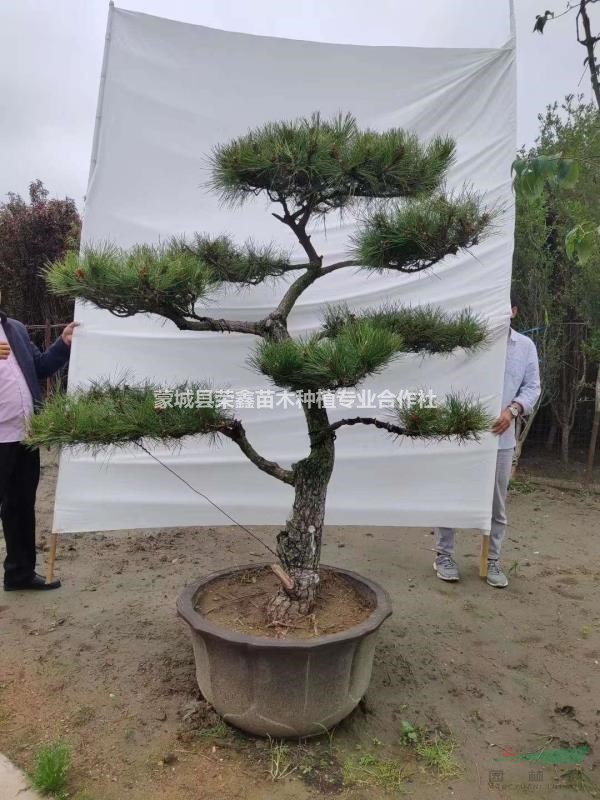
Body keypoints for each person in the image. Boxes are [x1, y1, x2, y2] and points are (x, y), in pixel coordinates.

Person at [434, 296, 540, 588]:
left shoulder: (524, 347)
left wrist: (513, 410)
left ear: (514, 311)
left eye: (507, 306)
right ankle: (444, 555)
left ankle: (492, 560)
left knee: (497, 503)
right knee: (453, 494)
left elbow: (533, 386)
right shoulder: (470, 342)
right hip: (463, 433)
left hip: (500, 436)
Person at [0, 308, 78, 591]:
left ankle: (19, 574)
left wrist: (63, 343)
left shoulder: (16, 329)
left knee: (20, 506)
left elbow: (41, 366)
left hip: (24, 436)